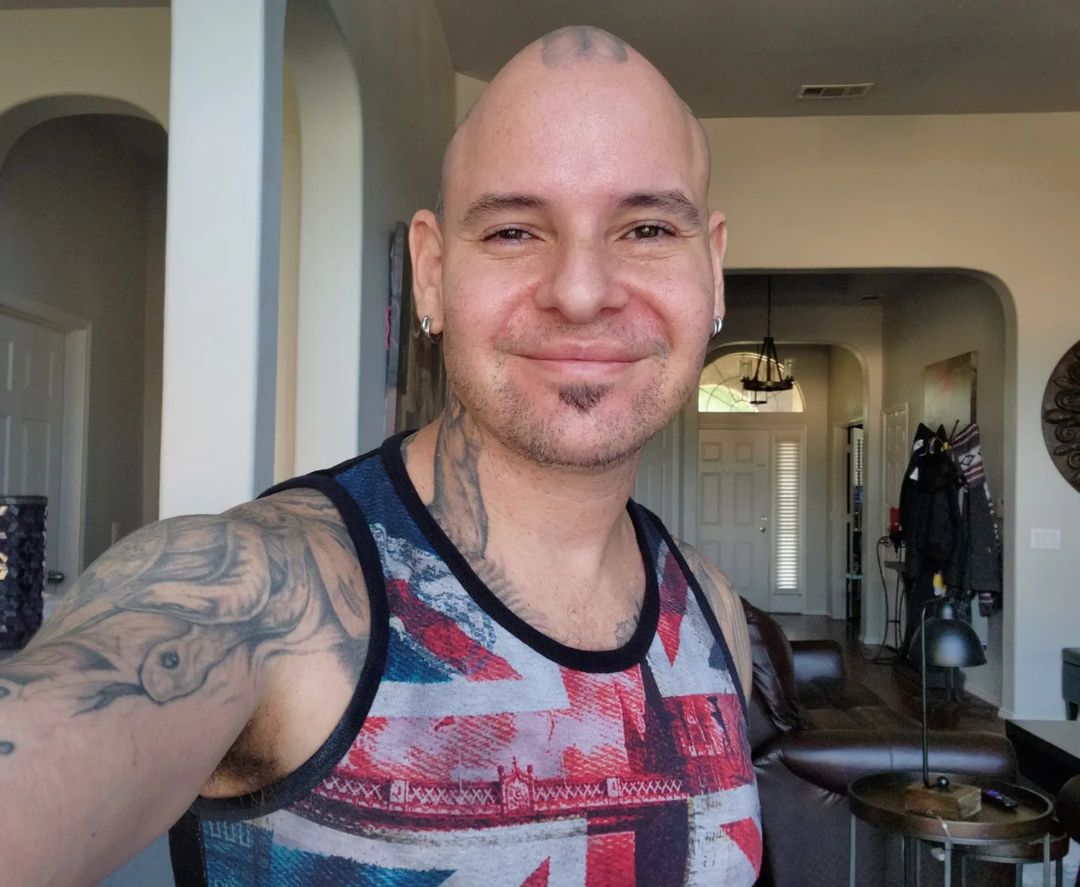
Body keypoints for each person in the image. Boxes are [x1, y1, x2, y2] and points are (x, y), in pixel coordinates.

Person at [1, 25, 761, 886]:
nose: (581, 292)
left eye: (648, 228)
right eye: (513, 231)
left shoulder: (711, 614)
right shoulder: (264, 592)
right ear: (431, 271)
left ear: (712, 269)